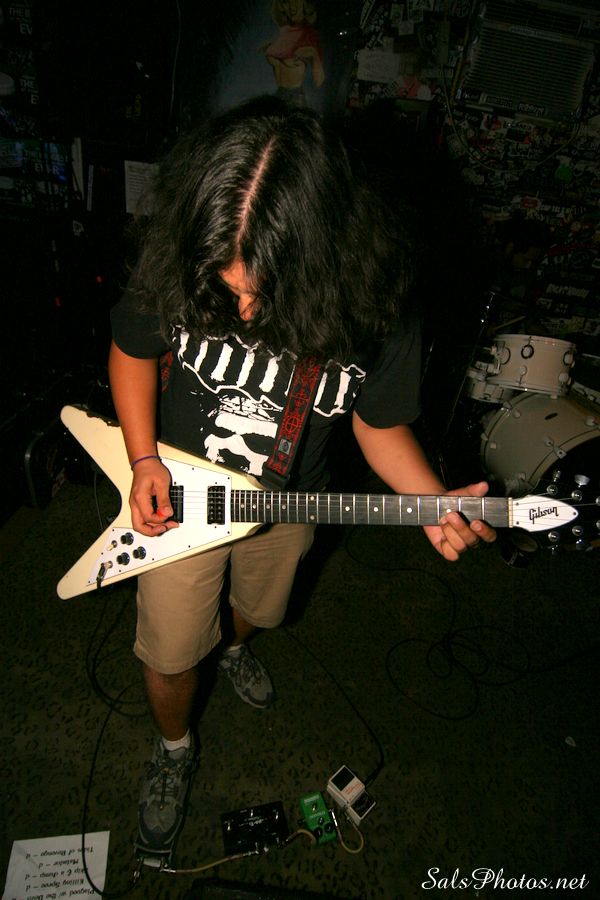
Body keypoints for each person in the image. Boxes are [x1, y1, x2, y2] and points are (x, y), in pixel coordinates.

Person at [108, 95, 496, 857]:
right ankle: (175, 748)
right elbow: (132, 349)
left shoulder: (376, 301)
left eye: (262, 292)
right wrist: (143, 457)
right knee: (171, 652)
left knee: (260, 610)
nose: (246, 311)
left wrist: (429, 501)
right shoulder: (180, 247)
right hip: (180, 499)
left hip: (291, 503)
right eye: (228, 290)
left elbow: (378, 422)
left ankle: (232, 648)